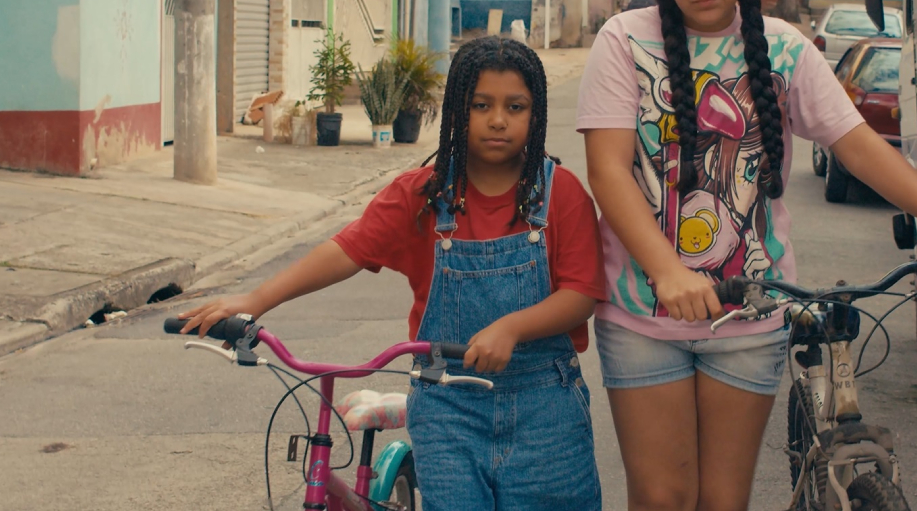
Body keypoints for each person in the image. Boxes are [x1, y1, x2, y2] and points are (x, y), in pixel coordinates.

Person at [576, 0, 917, 510]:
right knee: (661, 498)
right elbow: (609, 172)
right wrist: (668, 271)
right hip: (643, 316)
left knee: (724, 502)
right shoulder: (623, 40)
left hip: (752, 316)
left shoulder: (783, 47)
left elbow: (858, 145)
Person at [179, 36, 606, 510]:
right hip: (448, 410)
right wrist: (255, 301)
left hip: (546, 408)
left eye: (516, 106)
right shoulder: (421, 195)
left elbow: (581, 294)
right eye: (481, 104)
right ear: (456, 110)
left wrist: (511, 328)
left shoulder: (560, 193)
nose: (498, 119)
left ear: (536, 113)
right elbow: (346, 250)